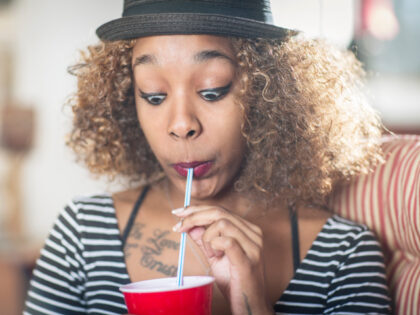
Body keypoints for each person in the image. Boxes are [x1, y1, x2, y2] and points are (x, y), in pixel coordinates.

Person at [24, 0, 392, 314]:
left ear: (268, 91)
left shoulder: (343, 256)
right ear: (126, 97)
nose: (181, 124)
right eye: (153, 95)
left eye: (213, 90)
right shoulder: (81, 235)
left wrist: (253, 304)